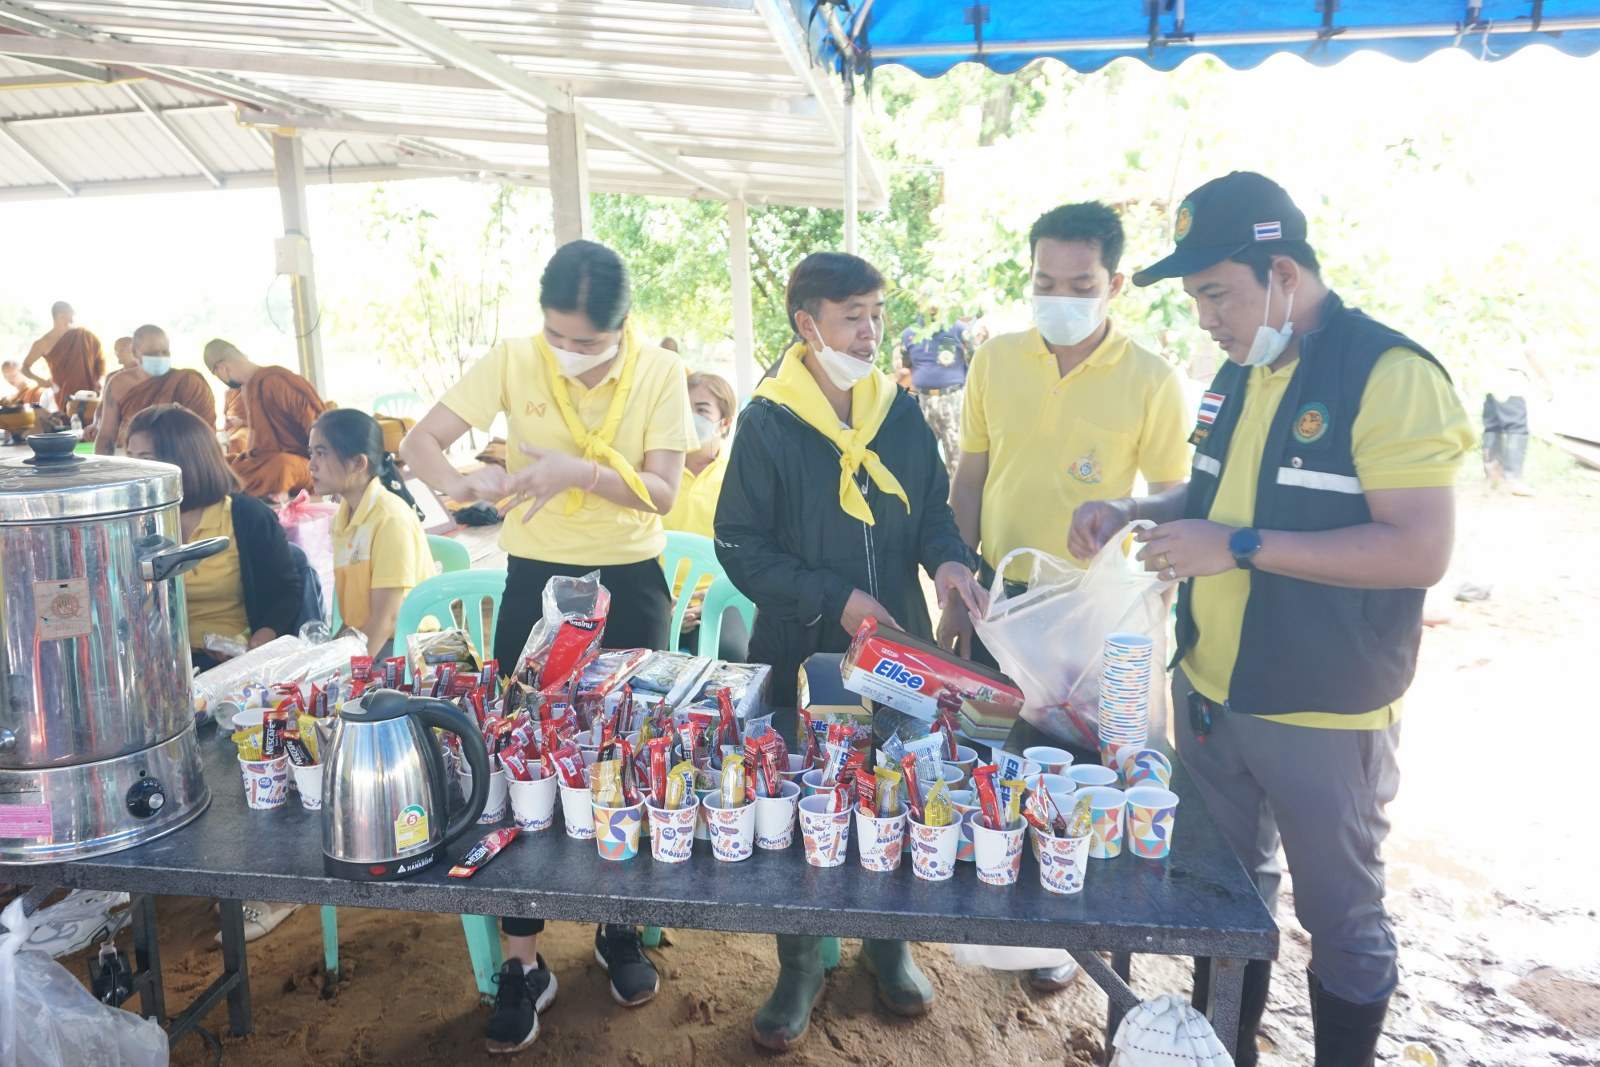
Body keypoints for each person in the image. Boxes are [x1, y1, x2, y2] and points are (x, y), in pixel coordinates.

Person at [1071, 172, 1471, 1067]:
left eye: (1218, 293)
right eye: (1196, 298)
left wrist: (1240, 547)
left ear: (1283, 272)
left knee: (1342, 916)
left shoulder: (1388, 374)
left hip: (1321, 708)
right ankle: (1227, 1048)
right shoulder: (1241, 371)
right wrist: (1134, 508)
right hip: (1211, 692)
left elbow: (1419, 549)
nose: (1206, 318)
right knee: (1225, 896)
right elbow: (1213, 499)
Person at [400, 240, 695, 1055]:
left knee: (625, 750)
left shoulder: (660, 372)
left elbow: (664, 491)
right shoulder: (513, 359)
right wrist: (462, 484)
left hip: (631, 581)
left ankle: (618, 927)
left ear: (623, 326)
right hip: (536, 581)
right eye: (556, 333)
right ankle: (522, 960)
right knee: (520, 755)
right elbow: (420, 444)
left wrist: (579, 473)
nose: (566, 350)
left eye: (585, 340)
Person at [714, 252, 985, 1053]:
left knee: (894, 787)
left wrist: (948, 561)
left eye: (876, 315)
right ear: (808, 325)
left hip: (897, 648)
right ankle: (800, 963)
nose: (870, 333)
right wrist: (834, 598)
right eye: (852, 317)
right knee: (807, 802)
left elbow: (932, 512)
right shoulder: (769, 422)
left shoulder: (896, 412)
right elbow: (738, 543)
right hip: (804, 646)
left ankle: (887, 945)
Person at [951, 203, 1189, 679]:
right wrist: (958, 594)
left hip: (1087, 607)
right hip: (995, 597)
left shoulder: (1152, 379)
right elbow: (971, 482)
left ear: (1113, 285)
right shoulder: (993, 360)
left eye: (1081, 288)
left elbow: (1170, 504)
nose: (1061, 299)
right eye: (1045, 284)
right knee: (984, 723)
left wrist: (1153, 620)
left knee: (1070, 730)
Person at [310, 409, 432, 659]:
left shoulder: (390, 519)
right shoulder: (343, 518)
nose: (311, 465)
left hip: (408, 647)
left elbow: (386, 619)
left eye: (321, 453)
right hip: (371, 640)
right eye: (310, 453)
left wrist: (349, 673)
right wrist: (326, 661)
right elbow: (355, 619)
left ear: (358, 463)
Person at [662, 371, 745, 659]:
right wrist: (665, 602)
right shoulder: (657, 475)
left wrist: (711, 599)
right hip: (661, 599)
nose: (690, 418)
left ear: (725, 423)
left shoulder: (737, 476)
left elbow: (747, 551)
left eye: (701, 410)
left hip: (718, 599)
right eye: (684, 409)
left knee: (731, 658)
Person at [203, 339, 325, 499]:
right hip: (267, 460)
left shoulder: (278, 380)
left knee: (282, 466)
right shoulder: (249, 388)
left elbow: (319, 429)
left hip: (302, 464)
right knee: (217, 465)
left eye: (216, 374)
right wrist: (246, 459)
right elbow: (259, 445)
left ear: (222, 368)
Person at [97, 325, 215, 454]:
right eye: (152, 353)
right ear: (135, 353)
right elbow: (106, 436)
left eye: (165, 352)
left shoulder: (188, 382)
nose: (160, 356)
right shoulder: (118, 383)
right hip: (133, 457)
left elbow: (202, 433)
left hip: (180, 456)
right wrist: (102, 465)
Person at [898, 302, 970, 479]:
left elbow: (974, 356)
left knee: (957, 457)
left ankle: (956, 496)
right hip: (924, 400)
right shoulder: (910, 334)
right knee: (922, 456)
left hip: (953, 399)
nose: (931, 306)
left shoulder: (957, 329)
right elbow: (906, 364)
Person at [20, 301, 106, 408]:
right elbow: (25, 368)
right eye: (71, 315)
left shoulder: (85, 336)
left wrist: (100, 381)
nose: (73, 318)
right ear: (60, 315)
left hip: (90, 392)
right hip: (64, 393)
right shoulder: (43, 342)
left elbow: (100, 361)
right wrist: (40, 380)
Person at [91, 337, 146, 443]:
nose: (118, 353)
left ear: (134, 352)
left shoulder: (146, 376)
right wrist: (95, 424)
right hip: (114, 432)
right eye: (116, 350)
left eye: (122, 350)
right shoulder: (112, 377)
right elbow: (102, 405)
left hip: (139, 430)